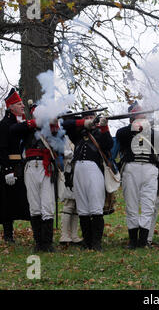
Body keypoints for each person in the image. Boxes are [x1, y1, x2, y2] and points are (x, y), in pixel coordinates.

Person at [10, 102, 60, 252]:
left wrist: (52, 122)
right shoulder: (27, 127)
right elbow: (13, 129)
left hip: (46, 168)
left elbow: (58, 136)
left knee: (47, 205)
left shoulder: (49, 129)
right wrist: (33, 123)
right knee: (34, 206)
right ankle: (38, 243)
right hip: (31, 168)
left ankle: (48, 243)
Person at [62, 108, 113, 251]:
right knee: (83, 208)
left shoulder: (99, 133)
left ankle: (96, 243)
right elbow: (65, 124)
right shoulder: (78, 133)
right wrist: (84, 123)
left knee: (96, 207)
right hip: (78, 170)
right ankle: (87, 241)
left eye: (92, 117)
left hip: (94, 170)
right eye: (87, 117)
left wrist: (104, 126)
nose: (91, 119)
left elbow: (109, 144)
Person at [116, 102, 159, 249]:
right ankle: (133, 240)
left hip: (150, 168)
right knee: (131, 205)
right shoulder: (125, 132)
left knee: (148, 205)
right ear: (132, 118)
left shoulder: (152, 132)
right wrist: (135, 124)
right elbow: (122, 135)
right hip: (132, 168)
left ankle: (143, 241)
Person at [0, 88, 31, 243]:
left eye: (22, 103)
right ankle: (8, 235)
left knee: (28, 199)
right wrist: (7, 170)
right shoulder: (3, 126)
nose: (22, 106)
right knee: (8, 201)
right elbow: (2, 150)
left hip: (24, 165)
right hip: (11, 167)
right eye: (19, 103)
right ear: (11, 107)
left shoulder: (21, 123)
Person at [59, 134, 83, 246]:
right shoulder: (63, 137)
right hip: (69, 172)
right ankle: (64, 235)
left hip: (79, 171)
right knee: (69, 203)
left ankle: (74, 235)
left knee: (77, 204)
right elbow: (60, 152)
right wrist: (69, 154)